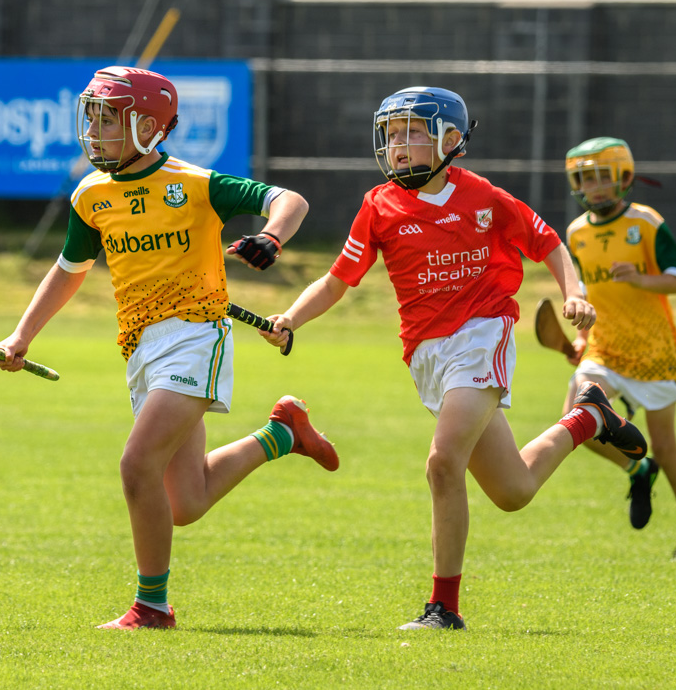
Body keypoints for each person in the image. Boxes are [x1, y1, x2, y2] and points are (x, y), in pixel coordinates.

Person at [257, 86, 648, 631]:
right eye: (391, 135)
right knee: (513, 491)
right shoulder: (378, 205)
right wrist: (291, 319)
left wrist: (573, 293)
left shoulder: (485, 197)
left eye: (411, 133)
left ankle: (444, 608)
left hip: (483, 333)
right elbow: (337, 280)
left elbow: (549, 243)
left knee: (443, 462)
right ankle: (589, 417)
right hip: (427, 354)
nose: (397, 146)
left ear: (449, 139)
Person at [0, 66, 339, 630]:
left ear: (149, 127)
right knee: (185, 502)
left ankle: (151, 606)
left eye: (110, 120)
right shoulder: (90, 194)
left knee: (136, 465)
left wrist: (270, 236)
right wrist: (21, 336)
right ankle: (282, 434)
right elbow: (68, 271)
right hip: (140, 347)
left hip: (197, 335)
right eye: (94, 118)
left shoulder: (197, 183)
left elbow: (290, 200)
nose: (96, 130)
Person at [560, 137, 676, 558]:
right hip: (604, 349)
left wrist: (639, 278)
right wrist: (580, 337)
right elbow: (586, 293)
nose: (594, 187)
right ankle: (638, 468)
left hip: (654, 352)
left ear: (623, 178)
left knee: (667, 448)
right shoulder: (575, 233)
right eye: (584, 179)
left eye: (601, 177)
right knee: (576, 420)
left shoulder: (647, 223)